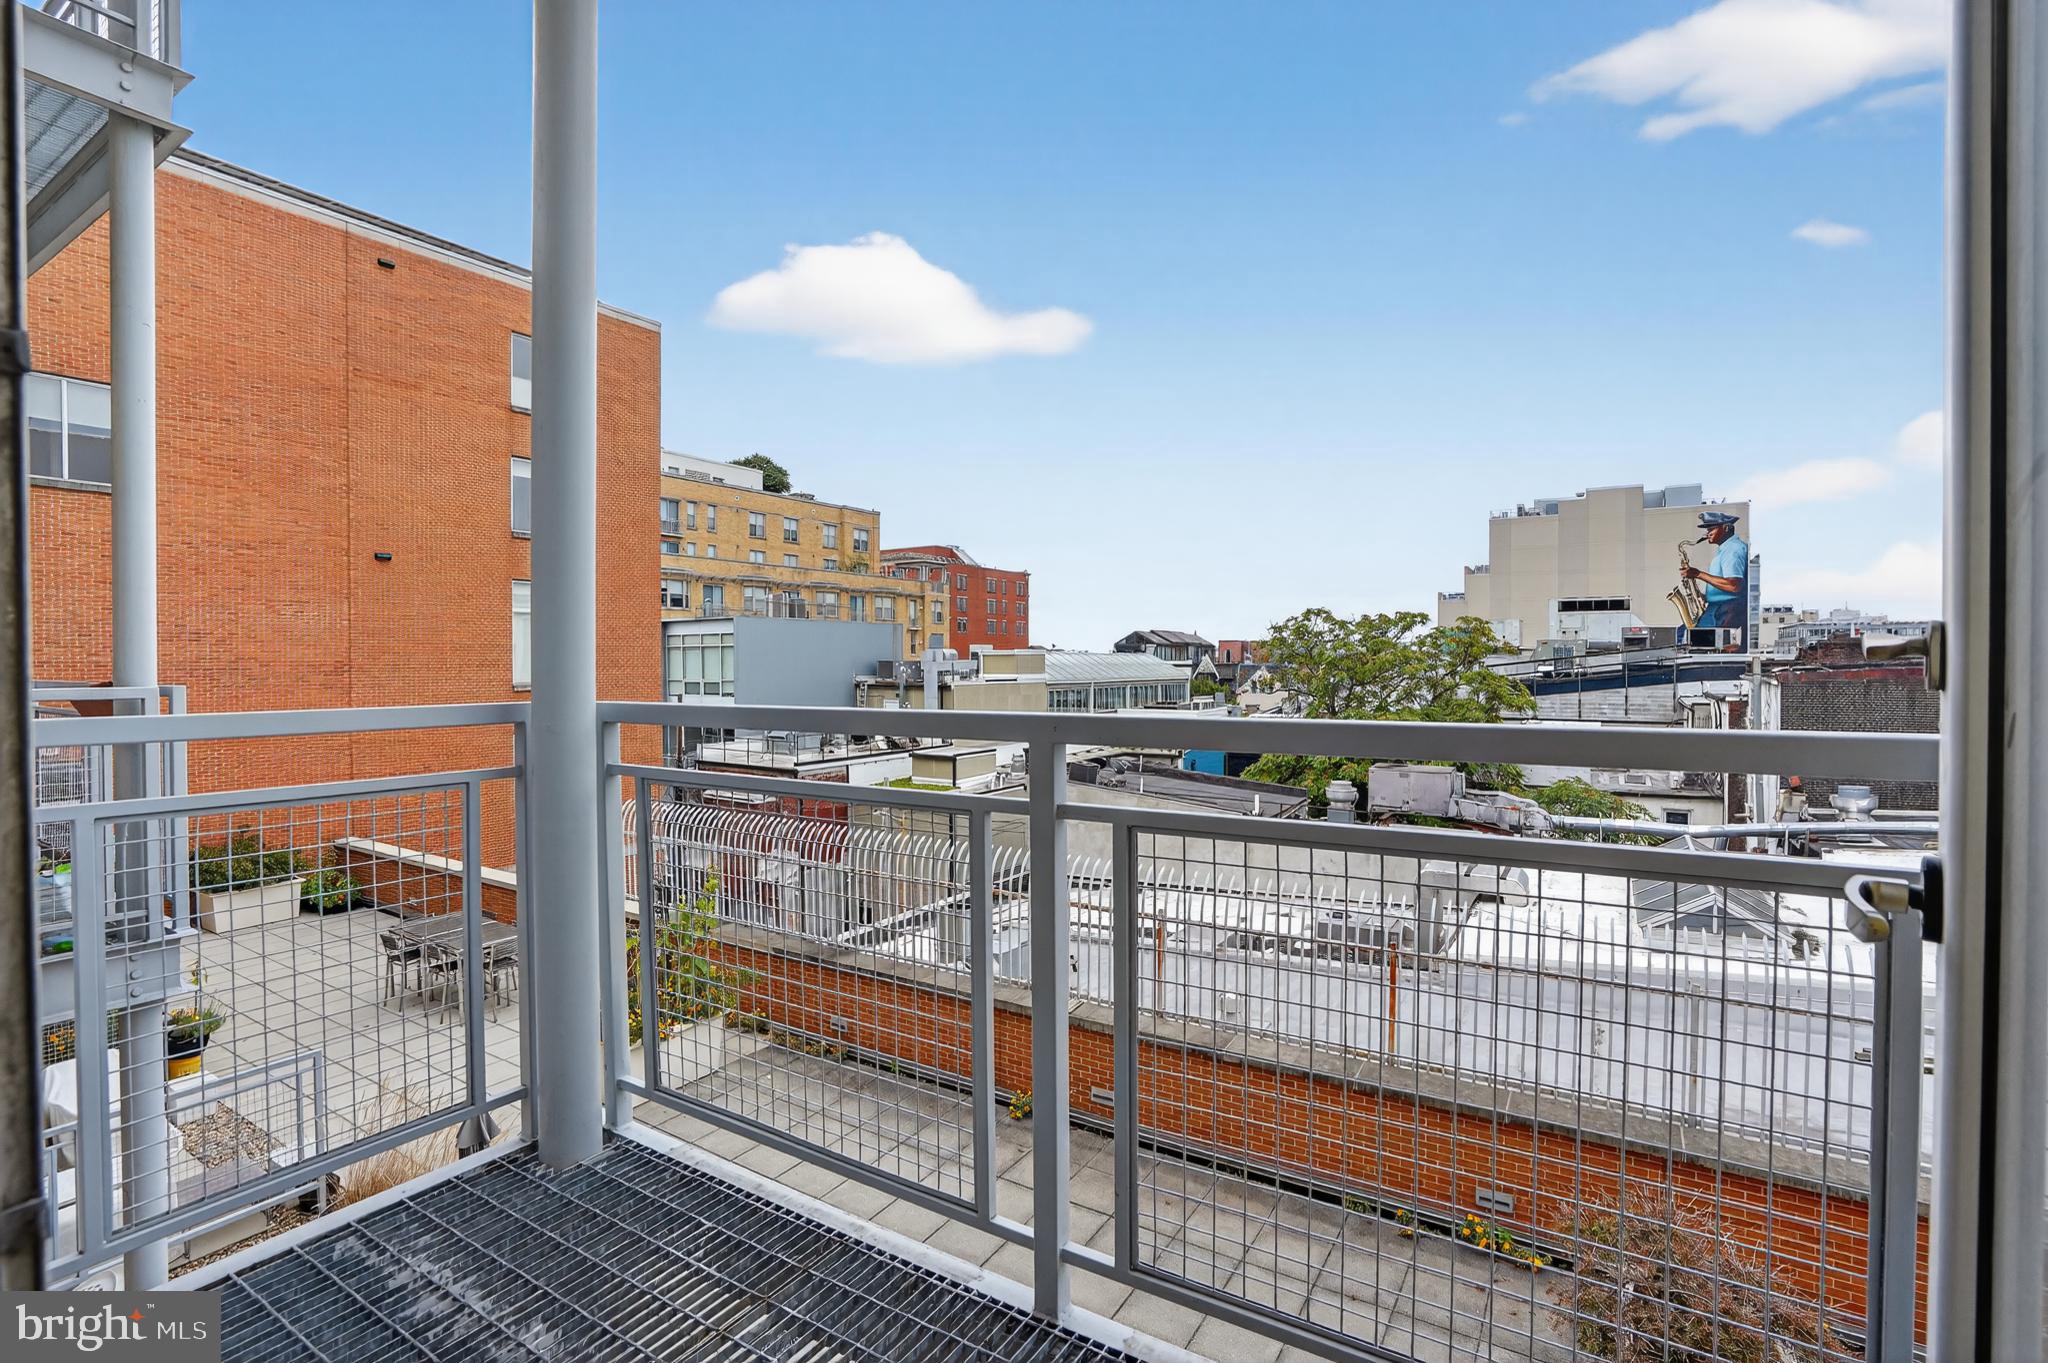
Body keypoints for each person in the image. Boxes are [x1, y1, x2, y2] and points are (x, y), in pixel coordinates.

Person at [1682, 510, 1750, 646]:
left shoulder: (1733, 549)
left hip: (1727, 610)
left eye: (1711, 528)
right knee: (1686, 636)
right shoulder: (1725, 549)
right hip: (1719, 608)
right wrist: (1704, 596)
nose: (1707, 533)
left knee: (1691, 640)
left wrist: (1698, 574)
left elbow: (1734, 585)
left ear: (1726, 528)